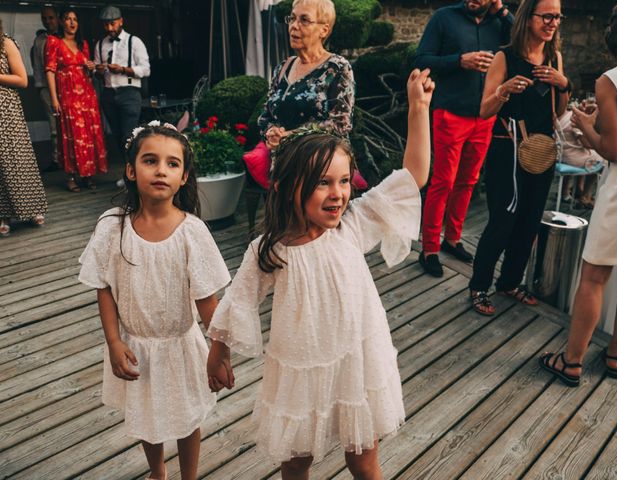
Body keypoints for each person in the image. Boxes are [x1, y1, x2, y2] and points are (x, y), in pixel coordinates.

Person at [207, 69, 434, 480]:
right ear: (289, 186)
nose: (338, 193)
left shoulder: (352, 224)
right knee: (296, 461)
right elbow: (237, 301)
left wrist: (419, 109)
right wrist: (217, 353)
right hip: (301, 368)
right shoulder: (269, 249)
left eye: (344, 181)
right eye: (322, 183)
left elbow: (413, 177)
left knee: (363, 459)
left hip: (356, 360)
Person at [78, 122, 231, 480]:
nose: (161, 170)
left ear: (183, 176)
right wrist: (114, 341)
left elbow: (208, 301)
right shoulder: (112, 227)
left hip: (181, 344)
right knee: (149, 416)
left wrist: (219, 351)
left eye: (172, 164)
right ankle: (158, 472)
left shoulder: (192, 232)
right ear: (131, 170)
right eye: (150, 160)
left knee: (186, 415)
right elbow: (104, 287)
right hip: (137, 346)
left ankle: (188, 476)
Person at [539, 0, 617, 387]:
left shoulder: (612, 80)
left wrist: (584, 124)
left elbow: (613, 150)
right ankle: (615, 357)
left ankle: (572, 361)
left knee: (594, 275)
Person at [468, 0, 570, 315]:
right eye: (548, 15)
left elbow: (559, 112)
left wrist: (562, 84)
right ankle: (479, 286)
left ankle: (510, 282)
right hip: (508, 149)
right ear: (529, 18)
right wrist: (505, 90)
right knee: (504, 219)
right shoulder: (505, 57)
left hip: (542, 149)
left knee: (529, 221)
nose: (553, 22)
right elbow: (484, 109)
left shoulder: (554, 58)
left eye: (558, 16)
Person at [414, 0, 514, 277]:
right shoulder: (443, 17)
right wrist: (460, 60)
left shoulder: (500, 24)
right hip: (450, 113)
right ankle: (430, 247)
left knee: (469, 181)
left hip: (485, 116)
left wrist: (504, 12)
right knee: (443, 182)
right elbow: (421, 59)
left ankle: (453, 239)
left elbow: (526, 37)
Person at [251, 0, 355, 239]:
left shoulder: (338, 68)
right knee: (283, 235)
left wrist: (290, 135)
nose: (293, 26)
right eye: (292, 18)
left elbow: (340, 123)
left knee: (316, 239)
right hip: (283, 169)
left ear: (324, 30)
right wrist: (270, 132)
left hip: (318, 173)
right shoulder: (282, 68)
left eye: (304, 20)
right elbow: (266, 115)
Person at [45, 6, 107, 192]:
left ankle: (87, 174)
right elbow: (50, 71)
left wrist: (90, 66)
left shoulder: (83, 44)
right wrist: (54, 99)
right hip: (68, 95)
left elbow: (91, 70)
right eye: (68, 18)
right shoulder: (54, 42)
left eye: (75, 19)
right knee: (70, 134)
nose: (72, 22)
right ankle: (71, 176)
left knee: (87, 135)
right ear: (62, 21)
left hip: (87, 95)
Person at [0, 20, 48, 236]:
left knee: (17, 159)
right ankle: (4, 215)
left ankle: (32, 208)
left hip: (7, 109)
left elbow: (22, 79)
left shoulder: (6, 43)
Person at [95, 5, 151, 153]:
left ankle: (132, 171)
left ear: (121, 21)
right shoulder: (100, 44)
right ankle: (128, 168)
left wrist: (123, 69)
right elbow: (97, 72)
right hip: (108, 94)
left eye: (112, 23)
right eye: (106, 24)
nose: (109, 28)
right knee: (117, 135)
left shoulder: (134, 42)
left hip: (129, 93)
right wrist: (98, 71)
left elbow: (146, 69)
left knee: (129, 135)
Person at [557, 103, 603, 208]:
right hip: (572, 159)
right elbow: (587, 144)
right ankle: (585, 195)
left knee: (585, 153)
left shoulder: (559, 117)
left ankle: (572, 190)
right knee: (601, 159)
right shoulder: (574, 119)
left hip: (561, 156)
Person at [31, 5, 60, 171]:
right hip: (46, 89)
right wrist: (40, 88)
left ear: (57, 18)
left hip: (65, 87)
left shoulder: (64, 38)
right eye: (44, 18)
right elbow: (37, 65)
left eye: (51, 17)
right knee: (54, 127)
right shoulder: (39, 40)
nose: (48, 21)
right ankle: (56, 160)